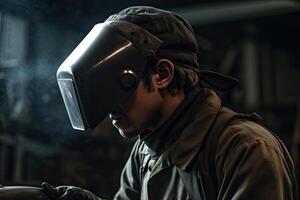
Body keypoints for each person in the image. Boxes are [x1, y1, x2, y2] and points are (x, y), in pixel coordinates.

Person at [42, 6, 297, 200]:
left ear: (162, 75)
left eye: (119, 87)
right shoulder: (145, 151)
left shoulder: (244, 149)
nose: (108, 107)